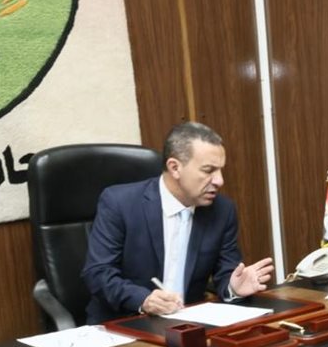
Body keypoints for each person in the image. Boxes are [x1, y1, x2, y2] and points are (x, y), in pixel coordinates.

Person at [81, 121, 273, 324]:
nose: (219, 181)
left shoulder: (222, 211)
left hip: (187, 325)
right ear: (174, 168)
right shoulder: (120, 203)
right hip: (124, 323)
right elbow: (98, 273)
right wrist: (143, 300)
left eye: (220, 170)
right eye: (208, 170)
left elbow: (226, 273)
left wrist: (234, 288)